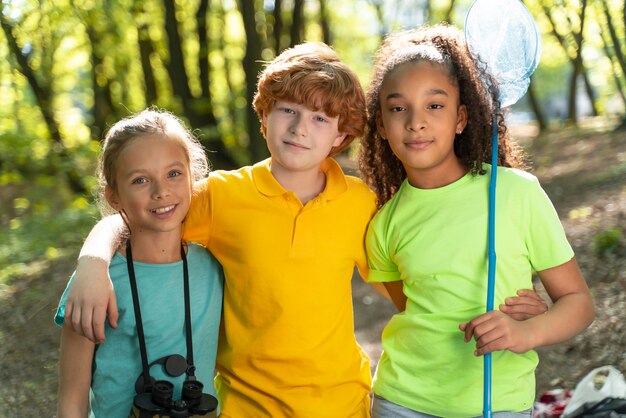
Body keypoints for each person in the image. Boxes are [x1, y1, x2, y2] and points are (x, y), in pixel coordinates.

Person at [61, 42, 549, 418]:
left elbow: (418, 292)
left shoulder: (362, 204)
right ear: (264, 116)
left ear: (340, 136)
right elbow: (142, 212)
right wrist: (93, 260)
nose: (300, 128)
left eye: (319, 118)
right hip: (247, 405)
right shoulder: (222, 196)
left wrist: (510, 299)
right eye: (287, 111)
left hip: (342, 402)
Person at [358, 24, 595, 418]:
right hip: (401, 401)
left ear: (461, 118)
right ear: (381, 125)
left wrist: (527, 331)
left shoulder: (516, 194)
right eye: (398, 108)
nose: (415, 121)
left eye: (435, 105)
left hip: (498, 403)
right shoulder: (384, 223)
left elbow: (578, 304)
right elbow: (417, 308)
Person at [55, 108, 224, 417]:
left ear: (193, 179)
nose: (161, 192)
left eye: (174, 174)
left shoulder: (216, 267)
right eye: (140, 180)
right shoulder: (96, 283)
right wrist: (92, 263)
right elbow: (71, 401)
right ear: (114, 195)